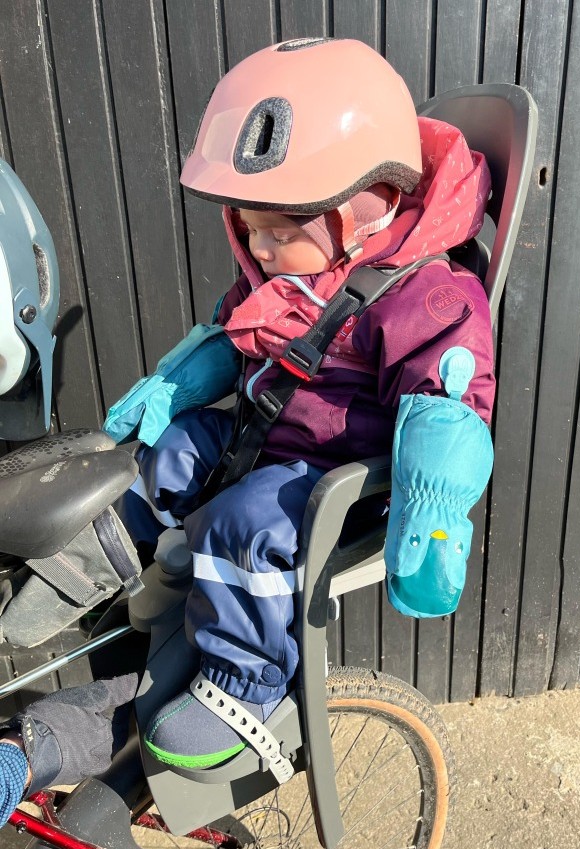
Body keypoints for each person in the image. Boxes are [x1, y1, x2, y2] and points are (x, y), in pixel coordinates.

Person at [0, 35, 495, 809]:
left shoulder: (426, 297)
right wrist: (174, 387)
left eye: (278, 229)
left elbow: (446, 404)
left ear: (372, 206)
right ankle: (73, 569)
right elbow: (236, 336)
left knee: (244, 520)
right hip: (265, 436)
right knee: (170, 452)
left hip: (336, 478)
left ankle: (245, 683)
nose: (259, 251)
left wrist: (433, 513)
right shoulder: (294, 272)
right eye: (251, 227)